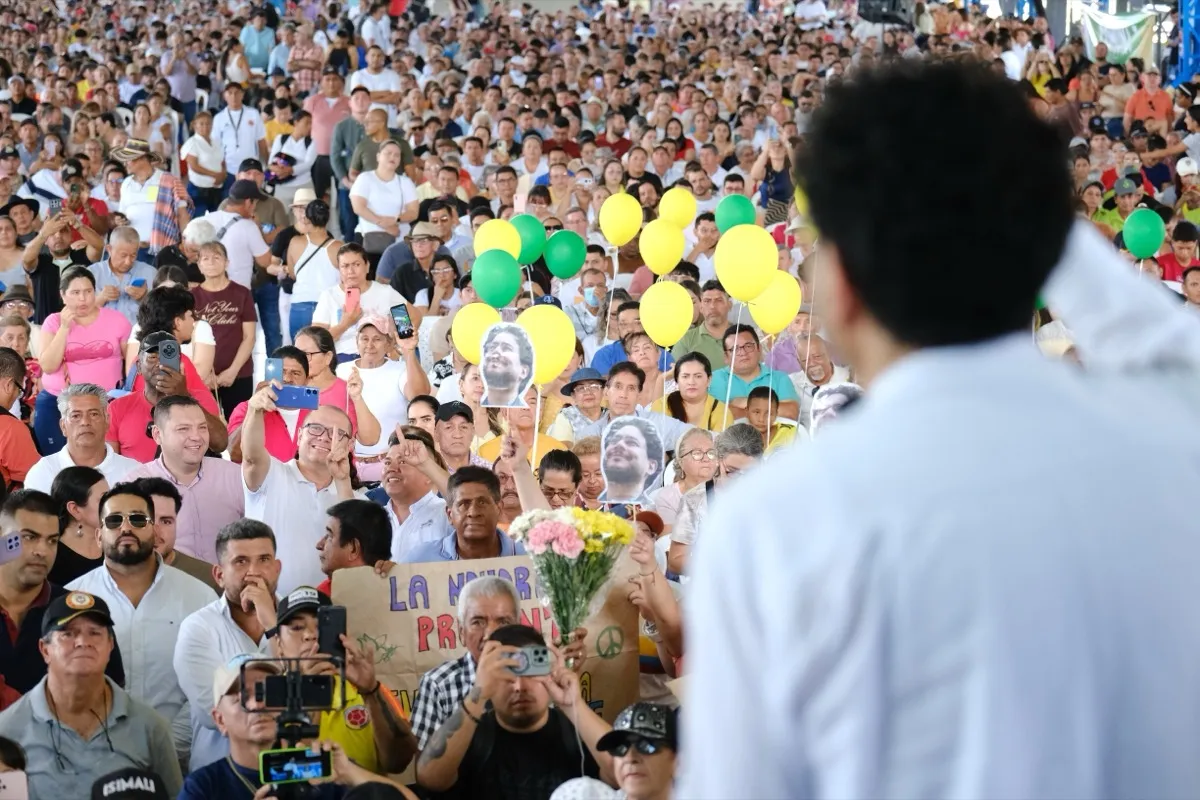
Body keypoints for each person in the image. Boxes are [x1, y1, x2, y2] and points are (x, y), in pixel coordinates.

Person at [682, 62, 1200, 799]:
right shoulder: (1174, 442)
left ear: (842, 283)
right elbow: (1174, 346)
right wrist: (1017, 191)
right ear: (1040, 251)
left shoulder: (772, 526)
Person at [66, 481, 213, 756]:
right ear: (98, 535)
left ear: (154, 529)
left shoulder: (200, 598)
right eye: (113, 520)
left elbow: (209, 684)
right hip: (93, 759)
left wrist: (164, 745)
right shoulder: (71, 600)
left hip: (179, 761)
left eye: (137, 519)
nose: (125, 528)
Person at [0, 590, 182, 798]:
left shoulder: (150, 726)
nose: (82, 642)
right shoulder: (8, 730)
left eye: (95, 633)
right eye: (68, 633)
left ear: (110, 646)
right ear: (45, 649)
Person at [416, 624, 611, 796]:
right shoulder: (470, 738)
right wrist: (478, 693)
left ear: (548, 672)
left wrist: (573, 705)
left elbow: (621, 773)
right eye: (507, 675)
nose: (519, 686)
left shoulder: (577, 734)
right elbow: (429, 778)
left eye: (530, 672)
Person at [178, 656, 413, 798]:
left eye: (268, 691)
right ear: (220, 720)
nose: (257, 703)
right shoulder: (204, 786)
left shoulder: (319, 769)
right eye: (241, 695)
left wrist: (349, 773)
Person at [264, 586, 417, 773]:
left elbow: (399, 762)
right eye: (296, 627)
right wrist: (311, 694)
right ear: (279, 644)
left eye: (321, 624)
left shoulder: (367, 689)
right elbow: (281, 773)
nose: (310, 635)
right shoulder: (267, 700)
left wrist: (371, 691)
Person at [0, 490, 126, 709]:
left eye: (52, 541)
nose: (42, 551)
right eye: (29, 537)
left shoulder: (84, 613)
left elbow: (111, 696)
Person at [173, 519, 280, 772]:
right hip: (220, 779)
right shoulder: (198, 628)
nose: (254, 571)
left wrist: (272, 624)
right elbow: (212, 715)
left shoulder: (303, 619)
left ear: (277, 568)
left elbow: (317, 701)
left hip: (290, 775)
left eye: (264, 559)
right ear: (219, 575)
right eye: (240, 561)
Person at [241, 380, 356, 593]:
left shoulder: (354, 498)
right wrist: (255, 410)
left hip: (330, 610)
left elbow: (354, 545)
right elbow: (251, 457)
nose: (324, 437)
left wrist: (343, 481)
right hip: (269, 609)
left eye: (337, 434)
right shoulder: (271, 474)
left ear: (349, 446)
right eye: (315, 429)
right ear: (300, 434)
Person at [120, 395, 244, 564]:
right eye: (183, 429)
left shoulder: (234, 475)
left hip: (227, 585)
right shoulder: (134, 485)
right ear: (157, 434)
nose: (196, 437)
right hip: (165, 584)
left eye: (202, 428)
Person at [35, 267, 132, 454]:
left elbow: (131, 364)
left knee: (102, 458)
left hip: (107, 402)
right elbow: (48, 365)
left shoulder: (117, 320)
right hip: (58, 402)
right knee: (58, 460)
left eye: (88, 292)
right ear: (63, 295)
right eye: (75, 293)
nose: (83, 298)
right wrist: (64, 328)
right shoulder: (53, 322)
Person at [106, 332, 228, 461]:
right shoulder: (118, 407)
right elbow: (111, 463)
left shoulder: (201, 398)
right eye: (152, 357)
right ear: (139, 367)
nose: (160, 365)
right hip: (136, 480)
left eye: (167, 357)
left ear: (180, 365)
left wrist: (183, 397)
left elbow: (220, 444)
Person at [335, 319, 429, 482]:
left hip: (391, 466)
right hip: (348, 466)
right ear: (356, 342)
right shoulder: (340, 370)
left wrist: (409, 351)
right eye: (364, 338)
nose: (370, 345)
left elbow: (419, 396)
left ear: (389, 344)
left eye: (377, 339)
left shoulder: (400, 369)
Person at [666, 423, 763, 578]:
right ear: (717, 459)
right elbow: (675, 561)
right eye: (731, 472)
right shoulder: (695, 500)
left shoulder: (770, 498)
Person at [556, 702, 679, 800]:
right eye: (620, 748)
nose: (630, 757)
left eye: (646, 746)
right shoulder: (583, 794)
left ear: (678, 761)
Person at [400, 467, 526, 563]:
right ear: (449, 515)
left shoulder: (530, 559)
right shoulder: (420, 559)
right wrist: (388, 573)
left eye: (482, 502)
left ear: (498, 509)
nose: (473, 512)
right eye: (464, 504)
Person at [191, 241, 258, 419]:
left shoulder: (242, 293)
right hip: (203, 377)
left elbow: (249, 337)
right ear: (199, 265)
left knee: (240, 427)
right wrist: (205, 374)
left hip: (239, 373)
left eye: (216, 257)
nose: (211, 262)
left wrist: (233, 370)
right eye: (205, 258)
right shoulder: (191, 297)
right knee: (205, 428)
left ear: (227, 262)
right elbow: (189, 339)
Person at [313, 242, 408, 358]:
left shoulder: (385, 292)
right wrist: (345, 324)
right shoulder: (329, 296)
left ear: (367, 266)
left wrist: (395, 346)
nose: (350, 271)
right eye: (345, 266)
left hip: (379, 357)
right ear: (339, 269)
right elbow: (317, 341)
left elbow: (410, 321)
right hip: (342, 357)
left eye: (356, 264)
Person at [125, 476, 218, 592]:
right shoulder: (106, 578)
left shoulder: (209, 580)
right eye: (145, 520)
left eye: (166, 521)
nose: (155, 531)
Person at [573, 362, 692, 449]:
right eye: (618, 387)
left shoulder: (658, 424)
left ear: (639, 395)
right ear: (606, 392)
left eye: (631, 388)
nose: (623, 395)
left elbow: (700, 437)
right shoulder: (588, 435)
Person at [112, 139, 191, 260]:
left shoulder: (169, 180)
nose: (125, 163)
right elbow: (123, 213)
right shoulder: (126, 184)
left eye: (128, 159)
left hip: (164, 250)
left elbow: (182, 215)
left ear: (141, 158)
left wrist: (186, 243)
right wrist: (120, 221)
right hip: (133, 252)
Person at [709, 324, 799, 425]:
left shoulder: (779, 378)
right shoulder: (713, 379)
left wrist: (745, 403)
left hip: (775, 439)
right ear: (726, 357)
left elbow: (790, 412)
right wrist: (766, 410)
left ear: (759, 349)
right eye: (735, 349)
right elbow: (715, 415)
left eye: (748, 346)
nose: (743, 353)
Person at [316, 499, 392, 596]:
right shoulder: (319, 598)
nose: (319, 545)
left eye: (329, 536)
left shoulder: (401, 594)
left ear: (353, 548)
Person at [654, 428, 715, 533]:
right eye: (697, 453)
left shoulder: (728, 491)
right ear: (681, 462)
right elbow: (668, 543)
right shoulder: (668, 497)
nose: (706, 459)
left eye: (711, 452)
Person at [600, 416, 664, 505]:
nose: (619, 444)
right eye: (614, 441)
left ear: (651, 466)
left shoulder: (652, 512)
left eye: (631, 443)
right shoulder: (581, 504)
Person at [671, 279, 730, 366]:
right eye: (707, 301)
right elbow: (674, 375)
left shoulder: (742, 335)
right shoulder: (686, 340)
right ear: (701, 307)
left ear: (729, 305)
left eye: (719, 300)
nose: (712, 306)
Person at [0, 347, 37, 486]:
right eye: (19, 390)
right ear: (9, 385)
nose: (17, 396)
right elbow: (35, 475)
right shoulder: (10, 428)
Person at [480, 323, 535, 407]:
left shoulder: (527, 414)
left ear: (524, 371)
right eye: (492, 347)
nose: (496, 351)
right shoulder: (473, 408)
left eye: (506, 348)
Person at [547, 368, 606, 445]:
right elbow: (562, 451)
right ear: (573, 396)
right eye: (581, 388)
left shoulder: (610, 416)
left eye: (594, 386)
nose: (588, 392)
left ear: (603, 391)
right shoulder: (566, 417)